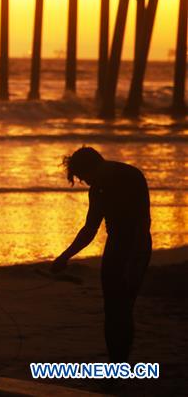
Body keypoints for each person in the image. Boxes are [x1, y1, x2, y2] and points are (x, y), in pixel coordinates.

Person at [52, 147, 152, 362]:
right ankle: (117, 362)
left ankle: (120, 365)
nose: (85, 182)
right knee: (113, 310)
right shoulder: (97, 188)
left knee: (122, 309)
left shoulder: (129, 176)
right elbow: (90, 229)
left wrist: (133, 259)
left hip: (135, 245)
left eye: (84, 176)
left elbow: (141, 223)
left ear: (92, 167)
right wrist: (64, 257)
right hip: (116, 246)